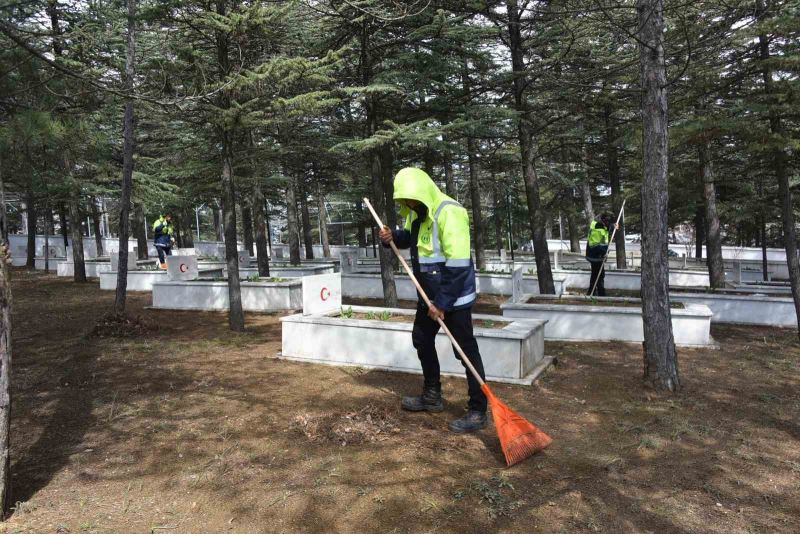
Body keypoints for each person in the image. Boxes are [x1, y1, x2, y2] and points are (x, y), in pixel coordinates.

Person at [379, 167, 488, 434]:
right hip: (428, 297)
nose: (408, 205)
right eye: (405, 202)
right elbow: (411, 240)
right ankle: (432, 396)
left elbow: (459, 265)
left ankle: (477, 409)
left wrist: (442, 303)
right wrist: (392, 236)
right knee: (422, 339)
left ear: (423, 193)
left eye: (411, 200)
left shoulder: (449, 212)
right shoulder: (418, 214)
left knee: (465, 351)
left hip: (453, 298)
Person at [585, 213, 617, 296]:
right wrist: (604, 251)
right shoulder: (597, 229)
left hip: (597, 255)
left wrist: (613, 227)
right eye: (608, 223)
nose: (609, 225)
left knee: (596, 274)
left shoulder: (599, 225)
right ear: (604, 221)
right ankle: (600, 294)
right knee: (599, 275)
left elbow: (605, 232)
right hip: (595, 255)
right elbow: (595, 245)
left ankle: (592, 292)